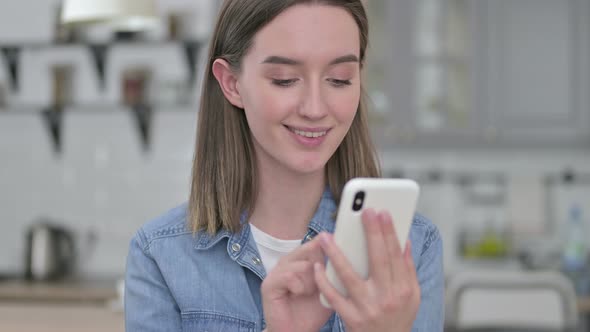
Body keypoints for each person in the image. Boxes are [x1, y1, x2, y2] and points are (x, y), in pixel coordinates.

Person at [124, 0, 444, 331]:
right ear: (232, 83)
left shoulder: (415, 247)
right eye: (285, 79)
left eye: (339, 79)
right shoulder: (160, 255)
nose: (315, 108)